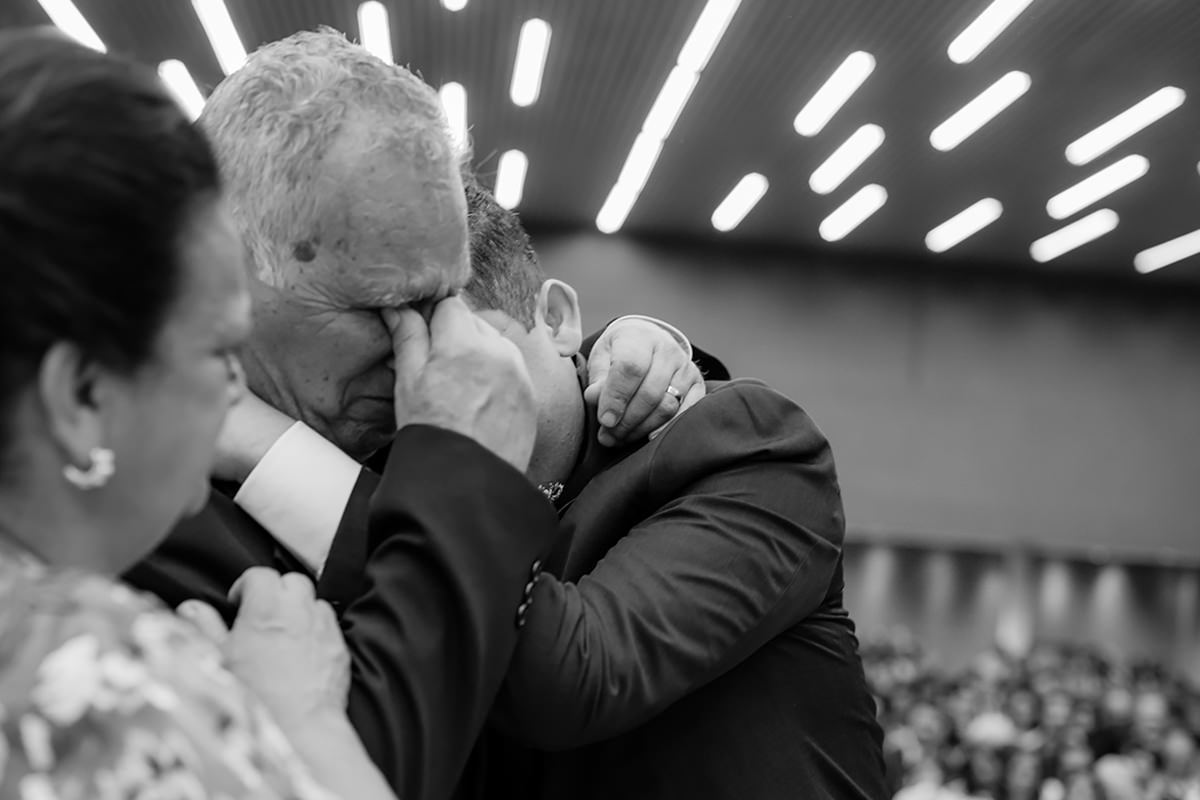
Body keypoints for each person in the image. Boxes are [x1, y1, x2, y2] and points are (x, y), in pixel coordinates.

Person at [124, 28, 718, 800]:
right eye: (392, 306)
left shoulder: (373, 424)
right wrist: (461, 477)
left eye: (449, 296)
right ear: (229, 277)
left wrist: (640, 348)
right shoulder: (127, 503)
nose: (442, 346)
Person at [0, 28, 538, 799]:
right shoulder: (101, 656)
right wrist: (311, 726)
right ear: (84, 394)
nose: (437, 345)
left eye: (448, 299)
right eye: (217, 350)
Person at [226, 175, 888, 799]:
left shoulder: (741, 444)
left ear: (559, 317)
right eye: (383, 370)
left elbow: (581, 677)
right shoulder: (391, 488)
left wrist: (265, 446)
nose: (416, 392)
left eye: (435, 342)